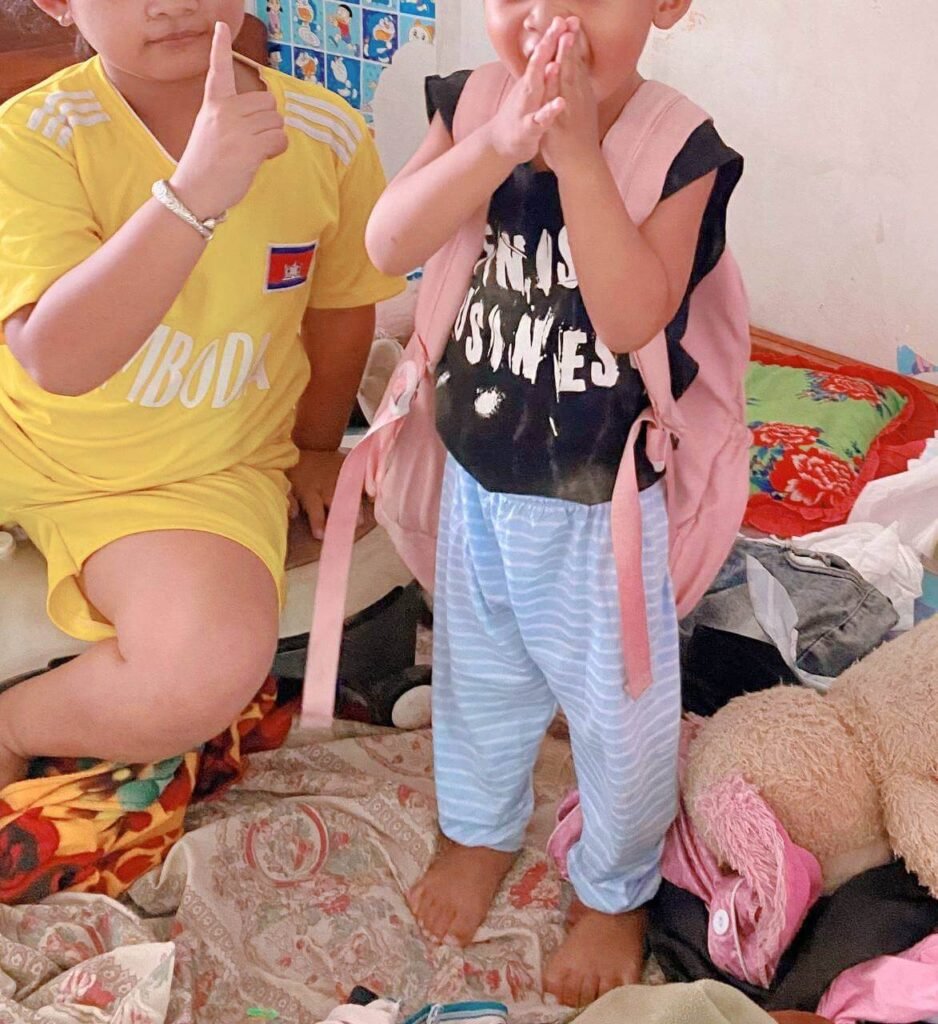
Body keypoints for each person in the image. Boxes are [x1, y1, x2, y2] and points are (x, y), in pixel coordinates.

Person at [365, 0, 743, 1007]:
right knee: (477, 679)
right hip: (479, 479)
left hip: (600, 504)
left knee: (621, 718)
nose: (551, 15)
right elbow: (386, 242)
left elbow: (631, 315)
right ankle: (478, 832)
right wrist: (496, 141)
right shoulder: (468, 104)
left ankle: (614, 889)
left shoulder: (678, 146)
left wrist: (578, 161)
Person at [0, 1, 401, 792]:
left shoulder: (325, 135)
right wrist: (194, 195)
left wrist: (316, 447)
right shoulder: (34, 134)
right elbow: (57, 357)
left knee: (203, 666)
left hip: (196, 473)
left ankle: (17, 723)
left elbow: (340, 313)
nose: (172, 3)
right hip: (19, 433)